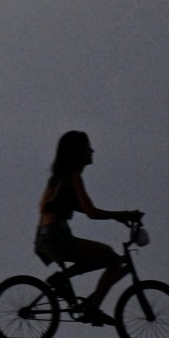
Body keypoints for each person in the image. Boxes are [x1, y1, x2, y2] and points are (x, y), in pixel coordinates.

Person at [34, 131, 142, 327]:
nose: (92, 150)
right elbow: (91, 212)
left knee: (102, 257)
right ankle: (92, 309)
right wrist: (122, 215)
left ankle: (61, 280)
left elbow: (80, 208)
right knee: (112, 259)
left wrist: (119, 216)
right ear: (78, 152)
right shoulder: (73, 177)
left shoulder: (61, 178)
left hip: (47, 236)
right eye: (88, 147)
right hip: (56, 235)